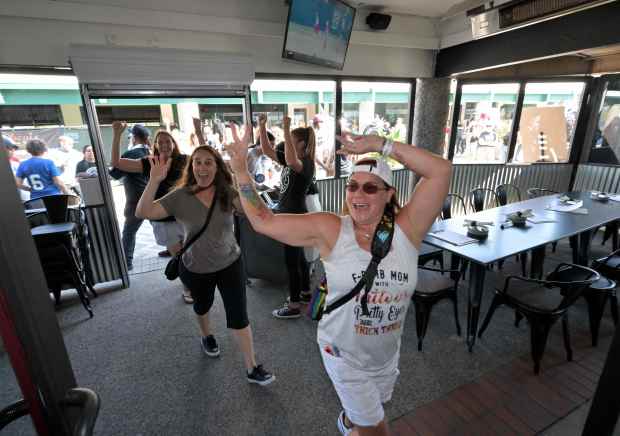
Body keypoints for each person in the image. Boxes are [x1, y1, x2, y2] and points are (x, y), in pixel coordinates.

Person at [227, 125, 451, 436]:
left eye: (371, 188)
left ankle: (348, 422)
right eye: (353, 186)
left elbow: (441, 170)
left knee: (371, 409)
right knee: (375, 429)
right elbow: (264, 221)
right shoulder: (331, 228)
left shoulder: (407, 230)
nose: (358, 195)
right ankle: (357, 422)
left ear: (389, 194)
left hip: (385, 355)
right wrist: (240, 171)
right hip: (342, 352)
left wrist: (379, 144)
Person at [135, 146, 275, 386]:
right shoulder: (180, 196)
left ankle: (252, 367)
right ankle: (206, 335)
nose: (202, 167)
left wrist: (242, 174)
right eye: (197, 162)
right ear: (191, 168)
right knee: (202, 305)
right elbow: (143, 211)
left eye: (208, 162)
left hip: (230, 262)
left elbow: (259, 211)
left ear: (217, 167)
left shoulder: (227, 193)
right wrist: (154, 180)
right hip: (195, 267)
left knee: (239, 315)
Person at [111, 122, 192, 303]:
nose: (164, 145)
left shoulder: (184, 160)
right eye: (160, 142)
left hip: (185, 215)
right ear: (154, 145)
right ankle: (188, 286)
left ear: (173, 143)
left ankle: (192, 281)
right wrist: (117, 135)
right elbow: (116, 163)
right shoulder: (150, 162)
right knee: (179, 255)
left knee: (190, 253)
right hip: (163, 218)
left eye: (167, 141)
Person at [258, 113, 315, 319]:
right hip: (289, 216)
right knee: (298, 257)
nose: (286, 144)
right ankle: (306, 292)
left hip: (294, 218)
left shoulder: (305, 163)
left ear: (301, 144)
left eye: (291, 140)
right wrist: (261, 126)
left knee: (292, 262)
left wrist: (286, 126)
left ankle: (293, 305)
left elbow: (291, 159)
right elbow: (267, 151)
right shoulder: (293, 161)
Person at [109, 123, 151, 272]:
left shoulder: (131, 154)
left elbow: (114, 173)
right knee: (164, 226)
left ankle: (126, 263)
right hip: (153, 197)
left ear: (133, 138)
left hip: (136, 200)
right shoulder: (150, 152)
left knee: (129, 232)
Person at [3, 135, 29, 201]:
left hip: (25, 199)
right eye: (10, 148)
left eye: (13, 149)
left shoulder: (16, 163)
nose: (13, 151)